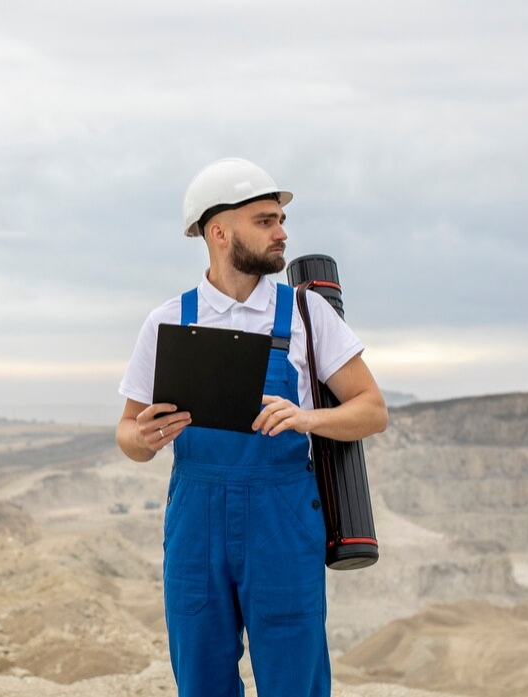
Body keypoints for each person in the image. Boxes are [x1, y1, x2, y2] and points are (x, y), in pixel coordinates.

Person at [116, 158, 388, 697]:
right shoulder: (169, 321)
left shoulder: (307, 313)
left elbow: (372, 409)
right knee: (201, 679)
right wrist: (142, 438)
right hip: (196, 520)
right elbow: (127, 433)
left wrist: (308, 417)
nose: (281, 232)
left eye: (280, 220)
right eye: (265, 220)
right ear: (218, 232)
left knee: (295, 681)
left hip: (281, 518)